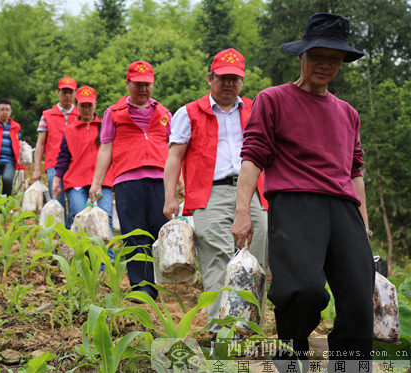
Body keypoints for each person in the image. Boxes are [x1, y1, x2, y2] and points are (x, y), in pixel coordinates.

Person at [231, 13, 374, 373]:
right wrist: (243, 210)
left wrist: (364, 227)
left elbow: (355, 172)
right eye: (318, 56)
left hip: (344, 211)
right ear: (302, 56)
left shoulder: (348, 113)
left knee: (359, 298)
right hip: (295, 205)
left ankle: (349, 367)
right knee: (303, 291)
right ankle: (290, 358)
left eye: (334, 59)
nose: (325, 65)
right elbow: (253, 156)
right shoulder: (273, 99)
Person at [163, 48, 268, 335]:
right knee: (217, 261)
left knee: (255, 262)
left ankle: (248, 330)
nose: (228, 84)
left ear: (242, 82)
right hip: (210, 195)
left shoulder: (254, 108)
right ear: (210, 78)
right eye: (222, 78)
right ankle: (219, 332)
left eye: (235, 79)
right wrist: (170, 196)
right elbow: (174, 156)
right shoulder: (189, 112)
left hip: (252, 194)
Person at [89, 61, 171, 301]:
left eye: (147, 85)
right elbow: (106, 148)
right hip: (127, 179)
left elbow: (174, 149)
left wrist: (179, 181)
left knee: (159, 228)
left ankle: (161, 279)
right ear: (128, 84)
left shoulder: (164, 112)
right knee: (134, 232)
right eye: (138, 85)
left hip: (160, 178)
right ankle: (142, 287)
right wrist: (97, 183)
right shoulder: (113, 113)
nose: (143, 89)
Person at [51, 86, 115, 229]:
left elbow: (114, 153)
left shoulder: (106, 126)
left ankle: (105, 252)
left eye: (89, 106)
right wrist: (56, 179)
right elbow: (63, 157)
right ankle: (80, 250)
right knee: (79, 215)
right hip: (76, 180)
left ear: (95, 105)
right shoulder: (69, 130)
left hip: (103, 180)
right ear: (77, 105)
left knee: (104, 216)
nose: (86, 110)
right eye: (83, 106)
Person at [33, 76, 80, 225]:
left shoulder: (81, 114)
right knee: (57, 203)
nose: (67, 95)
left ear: (75, 94)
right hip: (53, 164)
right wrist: (37, 169)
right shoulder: (47, 115)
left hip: (76, 165)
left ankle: (74, 236)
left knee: (76, 203)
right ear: (58, 92)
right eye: (64, 92)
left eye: (70, 92)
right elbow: (40, 143)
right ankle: (61, 238)